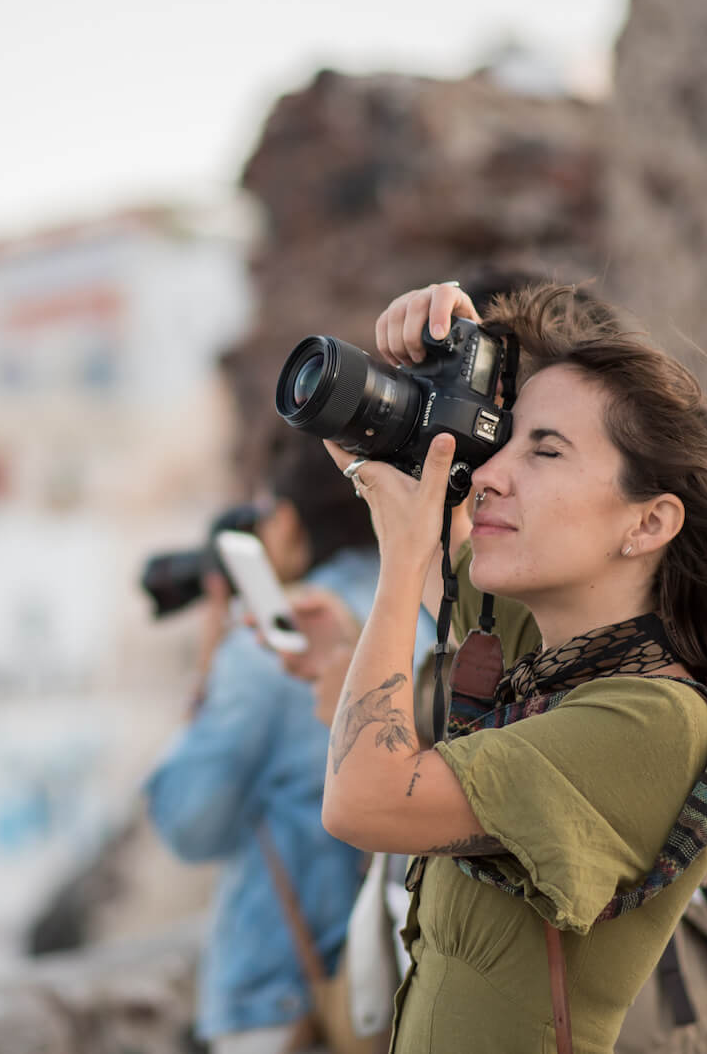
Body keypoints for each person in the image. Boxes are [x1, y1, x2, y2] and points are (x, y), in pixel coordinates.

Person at [319, 281, 707, 1054]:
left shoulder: (655, 721)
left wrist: (398, 563)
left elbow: (365, 800)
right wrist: (428, 381)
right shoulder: (549, 662)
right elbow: (438, 509)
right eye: (506, 441)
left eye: (545, 451)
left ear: (648, 522)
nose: (493, 473)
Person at [144, 435, 433, 1054]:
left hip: (286, 997)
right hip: (414, 979)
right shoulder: (439, 619)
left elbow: (189, 824)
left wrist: (211, 663)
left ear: (288, 521)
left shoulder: (275, 646)